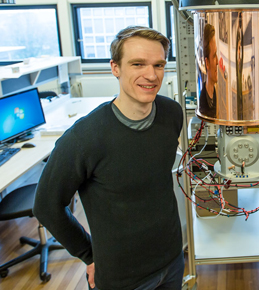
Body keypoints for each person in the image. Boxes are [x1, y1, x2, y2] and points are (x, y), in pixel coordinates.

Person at [33, 26, 184, 290]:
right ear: (115, 68)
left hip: (172, 260)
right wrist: (89, 255)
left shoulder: (171, 113)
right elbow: (47, 206)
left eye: (158, 65)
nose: (151, 75)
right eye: (138, 64)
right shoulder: (84, 138)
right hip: (121, 277)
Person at [199, 23, 217, 118]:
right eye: (214, 56)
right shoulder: (204, 100)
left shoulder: (216, 95)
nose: (218, 62)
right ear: (207, 63)